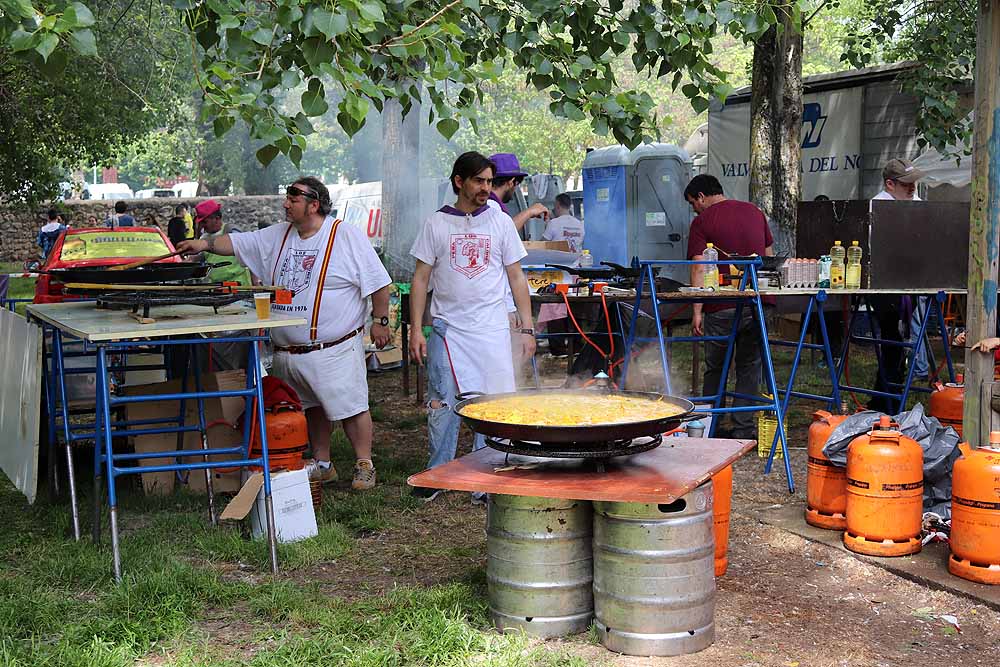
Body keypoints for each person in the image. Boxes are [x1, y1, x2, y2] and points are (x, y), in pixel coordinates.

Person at [177, 177, 393, 491]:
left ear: (314, 204)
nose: (286, 204)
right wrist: (205, 244)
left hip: (334, 347)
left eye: (293, 198)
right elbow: (239, 244)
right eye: (287, 198)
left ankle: (364, 463)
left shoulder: (343, 235)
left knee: (350, 407)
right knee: (312, 406)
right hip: (289, 351)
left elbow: (378, 282)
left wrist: (381, 321)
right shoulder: (279, 235)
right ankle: (323, 463)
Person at [408, 152, 536, 500]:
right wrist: (416, 329)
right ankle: (439, 473)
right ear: (459, 182)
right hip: (448, 329)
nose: (485, 188)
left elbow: (516, 275)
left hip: (492, 329)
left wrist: (526, 327)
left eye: (489, 181)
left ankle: (487, 478)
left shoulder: (499, 222)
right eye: (478, 180)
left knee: (493, 405)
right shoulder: (436, 224)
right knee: (442, 403)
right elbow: (420, 279)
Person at [685, 174, 774, 440]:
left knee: (716, 365)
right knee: (750, 365)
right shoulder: (755, 212)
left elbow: (699, 267)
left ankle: (709, 424)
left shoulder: (702, 221)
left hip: (721, 303)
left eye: (693, 202)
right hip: (758, 301)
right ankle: (743, 429)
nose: (693, 208)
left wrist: (697, 310)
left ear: (701, 196)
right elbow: (769, 257)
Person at [868, 158, 928, 408]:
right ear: (890, 184)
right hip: (885, 284)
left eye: (913, 182)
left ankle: (886, 396)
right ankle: (886, 399)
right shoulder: (877, 206)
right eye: (906, 184)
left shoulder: (917, 204)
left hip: (912, 281)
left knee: (897, 339)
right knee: (893, 337)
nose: (912, 187)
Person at [487, 153, 550, 231]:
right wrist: (529, 212)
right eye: (517, 184)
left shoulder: (486, 202)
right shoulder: (490, 205)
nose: (514, 189)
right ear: (511, 182)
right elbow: (505, 232)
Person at [193, 200, 250, 285]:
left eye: (204, 222)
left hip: (238, 284)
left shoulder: (231, 231)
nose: (202, 226)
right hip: (217, 286)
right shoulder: (204, 238)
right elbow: (197, 258)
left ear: (217, 218)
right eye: (200, 223)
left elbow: (249, 254)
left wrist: (256, 282)